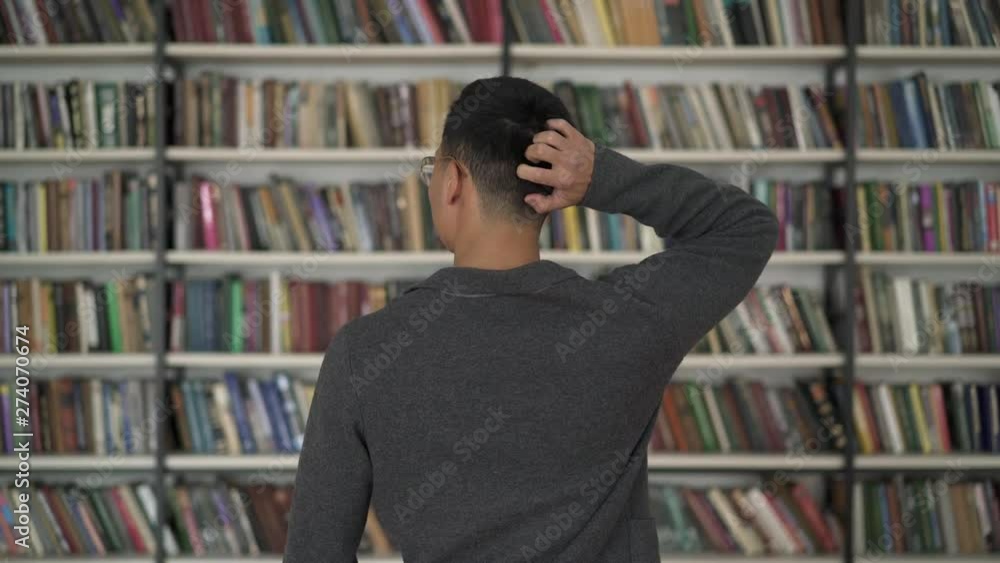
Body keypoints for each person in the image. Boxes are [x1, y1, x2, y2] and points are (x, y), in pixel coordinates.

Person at [283, 76, 778, 563]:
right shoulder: (630, 319)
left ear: (453, 181)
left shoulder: (363, 354)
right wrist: (600, 176)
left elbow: (314, 552)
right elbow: (744, 228)